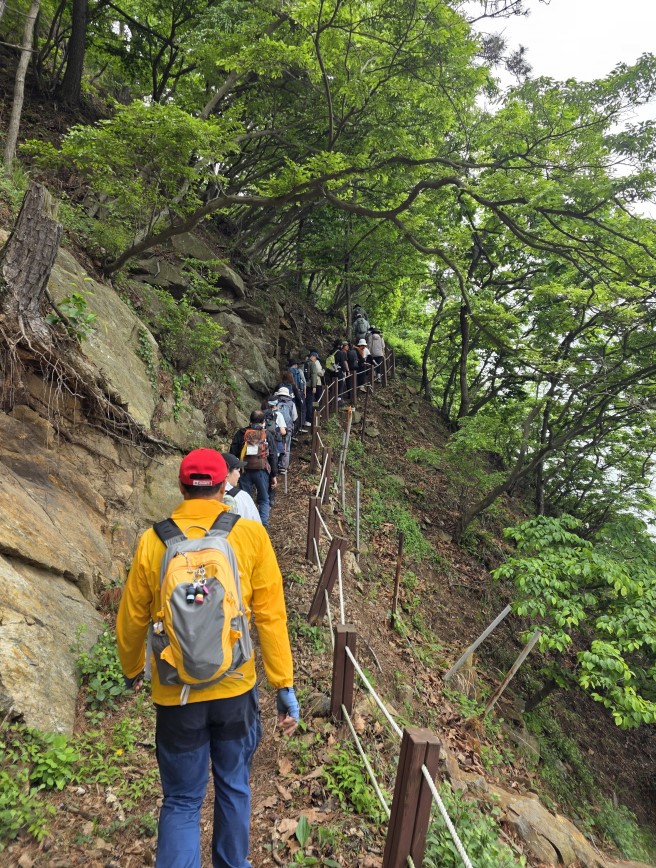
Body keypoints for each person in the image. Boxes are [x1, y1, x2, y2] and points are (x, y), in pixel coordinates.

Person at [116, 448, 299, 868]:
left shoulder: (152, 542)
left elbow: (131, 618)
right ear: (223, 487)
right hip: (235, 687)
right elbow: (271, 616)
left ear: (181, 488)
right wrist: (283, 684)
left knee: (182, 799)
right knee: (233, 784)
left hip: (176, 692)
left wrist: (131, 669)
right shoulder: (249, 536)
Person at [230, 410, 279, 528]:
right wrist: (273, 475)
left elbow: (232, 453)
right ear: (263, 421)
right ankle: (262, 526)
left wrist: (235, 470)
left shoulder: (241, 433)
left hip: (244, 470)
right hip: (262, 470)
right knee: (264, 499)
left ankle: (246, 525)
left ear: (250, 420)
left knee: (244, 499)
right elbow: (272, 456)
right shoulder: (267, 434)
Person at [221, 452, 261, 522]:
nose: (239, 475)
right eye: (237, 469)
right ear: (227, 472)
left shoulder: (205, 495)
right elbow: (256, 523)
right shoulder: (242, 497)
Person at [273, 386, 297, 471]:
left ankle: (274, 465)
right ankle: (283, 466)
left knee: (275, 446)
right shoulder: (291, 403)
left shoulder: (275, 402)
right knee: (286, 448)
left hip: (276, 429)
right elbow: (294, 417)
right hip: (287, 429)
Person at [287, 359, 307, 429]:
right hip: (299, 391)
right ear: (295, 365)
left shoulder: (287, 372)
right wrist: (304, 391)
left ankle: (292, 426)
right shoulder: (299, 371)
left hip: (290, 392)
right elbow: (304, 381)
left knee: (292, 408)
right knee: (302, 408)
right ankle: (301, 425)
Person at [304, 350, 321, 427]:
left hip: (304, 386)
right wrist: (314, 386)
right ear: (312, 356)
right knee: (310, 402)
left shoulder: (305, 363)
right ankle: (309, 419)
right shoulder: (312, 364)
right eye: (315, 358)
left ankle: (305, 419)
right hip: (310, 386)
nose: (316, 359)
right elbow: (314, 375)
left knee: (305, 402)